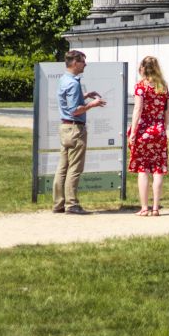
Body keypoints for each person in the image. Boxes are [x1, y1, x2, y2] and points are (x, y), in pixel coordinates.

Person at [53, 50, 105, 215]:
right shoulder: (74, 82)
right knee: (75, 168)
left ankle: (58, 204)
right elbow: (75, 109)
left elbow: (68, 100)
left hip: (65, 127)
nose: (85, 64)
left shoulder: (64, 79)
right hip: (75, 128)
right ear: (75, 63)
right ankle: (72, 204)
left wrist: (85, 95)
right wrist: (93, 104)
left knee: (63, 167)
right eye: (83, 61)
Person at [128, 55, 169, 215]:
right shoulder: (163, 86)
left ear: (142, 69)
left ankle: (144, 207)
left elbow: (137, 110)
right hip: (159, 130)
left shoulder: (141, 87)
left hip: (144, 130)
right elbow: (167, 111)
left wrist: (133, 131)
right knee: (158, 168)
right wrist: (163, 128)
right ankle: (156, 208)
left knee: (143, 169)